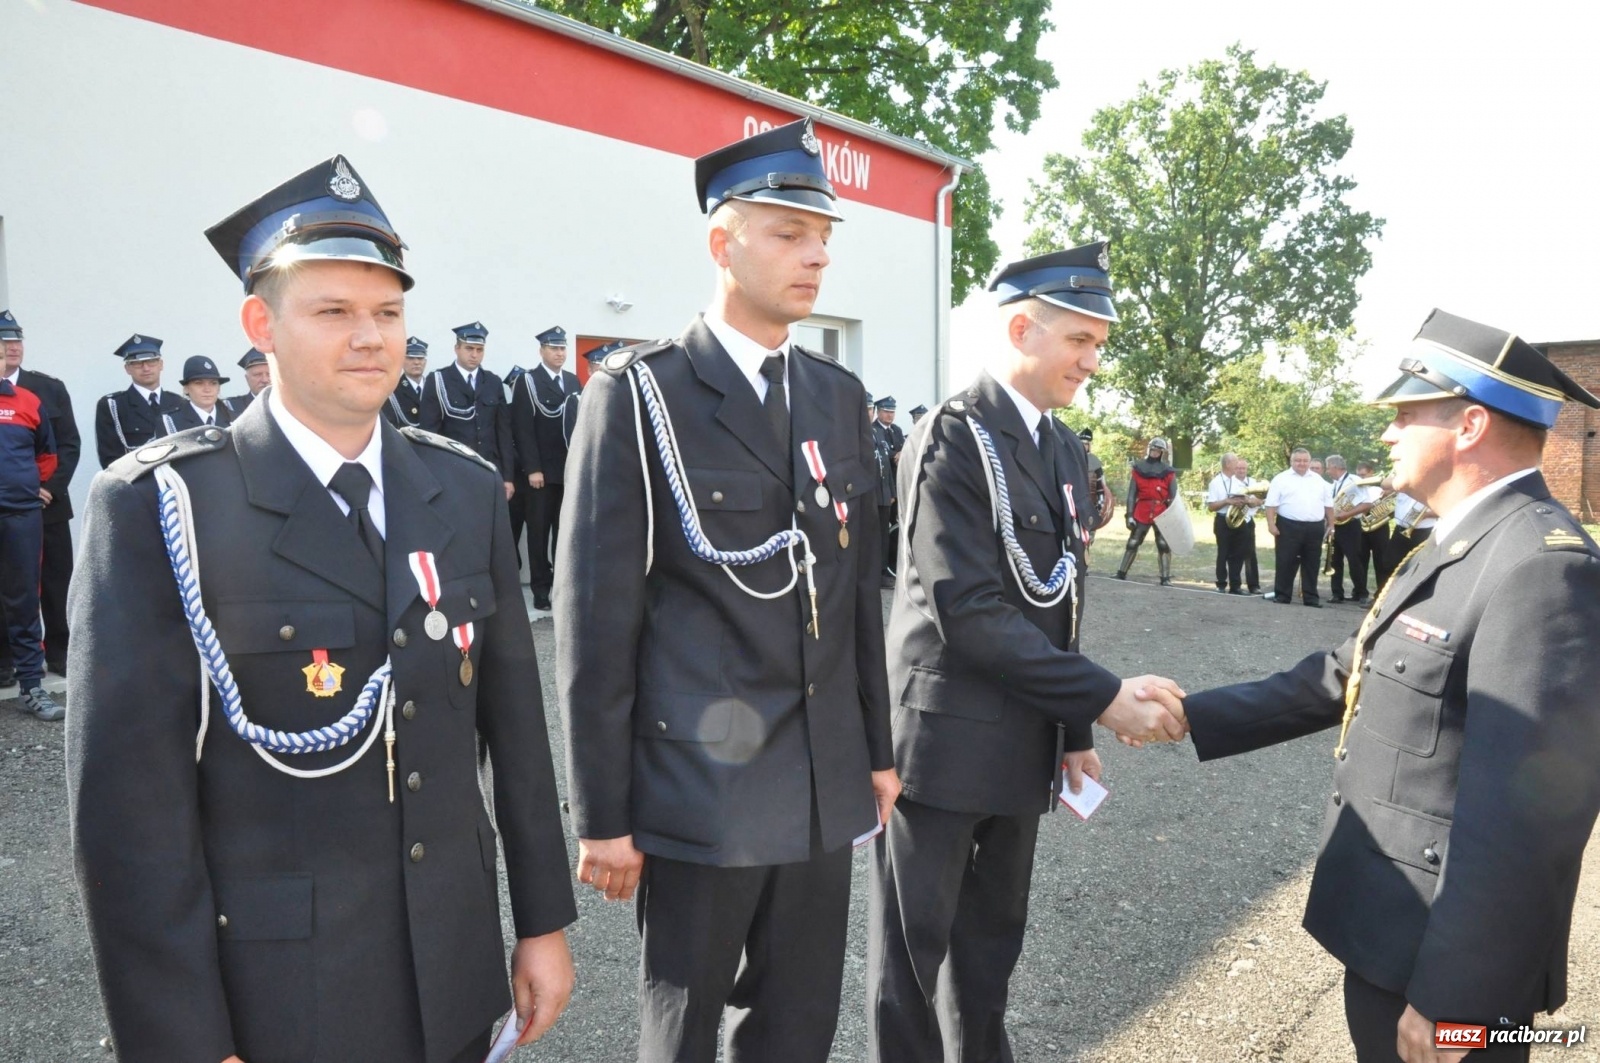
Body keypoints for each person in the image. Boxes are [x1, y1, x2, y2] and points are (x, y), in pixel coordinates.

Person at [66, 154, 576, 1063]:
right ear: (260, 323)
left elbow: (514, 730)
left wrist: (541, 921)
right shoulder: (165, 505)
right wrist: (185, 1037)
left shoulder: (458, 489)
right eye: (333, 311)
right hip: (280, 994)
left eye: (387, 311)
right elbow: (129, 816)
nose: (370, 337)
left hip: (453, 969)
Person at [556, 118, 897, 1063]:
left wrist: (877, 748)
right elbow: (595, 622)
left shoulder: (835, 397)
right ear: (723, 241)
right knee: (685, 1027)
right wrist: (604, 815)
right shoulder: (638, 395)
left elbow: (857, 590)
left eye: (824, 236)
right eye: (789, 232)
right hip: (699, 787)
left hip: (824, 782)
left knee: (797, 1028)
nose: (816, 255)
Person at [1183, 308, 1600, 1063]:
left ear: (1470, 425)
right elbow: (1348, 671)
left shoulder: (1541, 565)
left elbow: (1529, 820)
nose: (1387, 432)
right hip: (1391, 937)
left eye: (1407, 413)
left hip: (1446, 975)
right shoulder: (1454, 538)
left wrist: (1456, 997)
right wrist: (1188, 712)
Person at [868, 243, 1188, 1063]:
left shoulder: (1064, 450)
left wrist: (1073, 727)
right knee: (914, 955)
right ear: (1022, 327)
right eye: (1079, 340)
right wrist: (1103, 694)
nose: (1091, 361)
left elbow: (1058, 599)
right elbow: (965, 611)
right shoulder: (952, 437)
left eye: (1097, 345)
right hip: (941, 742)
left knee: (992, 946)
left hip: (1022, 739)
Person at [1, 310, 79, 679]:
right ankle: (5, 660)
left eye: (16, 339)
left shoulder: (47, 388)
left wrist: (47, 488)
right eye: (4, 341)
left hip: (47, 505)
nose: (12, 346)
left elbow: (67, 445)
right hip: (9, 507)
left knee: (54, 580)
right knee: (9, 584)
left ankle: (60, 652)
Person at [0, 356, 60, 720]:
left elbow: (47, 455)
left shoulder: (27, 401)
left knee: (23, 600)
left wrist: (26, 487)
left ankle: (31, 687)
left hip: (20, 515)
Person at [511, 325, 581, 612]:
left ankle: (562, 585)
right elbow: (523, 429)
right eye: (554, 348)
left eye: (563, 348)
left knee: (564, 533)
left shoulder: (574, 381)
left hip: (567, 471)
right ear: (542, 351)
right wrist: (532, 469)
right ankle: (541, 588)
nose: (559, 353)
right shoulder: (528, 381)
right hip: (540, 474)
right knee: (539, 534)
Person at [419, 321, 515, 501]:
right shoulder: (439, 380)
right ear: (456, 348)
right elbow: (429, 433)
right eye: (469, 348)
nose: (474, 355)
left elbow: (503, 432)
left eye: (480, 350)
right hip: (451, 470)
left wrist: (508, 477)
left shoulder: (493, 382)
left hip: (488, 468)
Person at [94, 334, 185, 467]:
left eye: (151, 361)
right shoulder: (113, 406)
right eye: (137, 363)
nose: (146, 368)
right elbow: (110, 458)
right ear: (127, 369)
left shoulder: (179, 403)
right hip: (137, 482)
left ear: (161, 365)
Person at [1264, 447, 1334, 606]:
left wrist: (1331, 524)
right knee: (1285, 561)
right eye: (1298, 460)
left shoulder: (1319, 480)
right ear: (1291, 461)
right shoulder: (1280, 479)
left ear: (1309, 462)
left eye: (1305, 460)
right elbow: (1270, 504)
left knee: (1312, 563)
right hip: (1288, 525)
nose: (1301, 463)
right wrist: (1271, 524)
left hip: (1315, 527)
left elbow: (1328, 505)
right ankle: (1282, 595)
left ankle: (1310, 598)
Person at [1116, 437, 1177, 583]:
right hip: (1142, 510)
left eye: (1158, 450)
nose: (1155, 452)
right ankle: (1121, 573)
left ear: (1162, 453)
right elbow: (1132, 494)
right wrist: (1129, 515)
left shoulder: (1168, 472)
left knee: (1163, 544)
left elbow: (1173, 496)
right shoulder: (1139, 469)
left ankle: (1165, 578)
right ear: (1149, 449)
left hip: (1161, 510)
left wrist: (1172, 515)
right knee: (1133, 542)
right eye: (1153, 449)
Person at [1325, 454, 1377, 604]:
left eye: (1328, 468)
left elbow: (1367, 504)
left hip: (1350, 525)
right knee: (1334, 560)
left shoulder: (1354, 481)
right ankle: (1337, 593)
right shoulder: (1334, 484)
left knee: (1354, 560)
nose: (1327, 471)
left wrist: (1347, 514)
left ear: (1335, 467)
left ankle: (1361, 593)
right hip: (1335, 525)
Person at [1205, 453, 1251, 594]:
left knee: (1238, 553)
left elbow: (1245, 499)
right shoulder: (1216, 482)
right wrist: (1227, 501)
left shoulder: (1238, 482)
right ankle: (1221, 584)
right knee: (1223, 552)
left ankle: (1235, 585)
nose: (1238, 466)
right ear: (1228, 464)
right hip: (1223, 520)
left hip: (1238, 520)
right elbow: (1211, 506)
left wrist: (1244, 501)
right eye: (1235, 463)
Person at [871, 394, 904, 582]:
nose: (890, 416)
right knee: (880, 532)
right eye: (886, 412)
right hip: (880, 488)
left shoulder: (897, 431)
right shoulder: (874, 430)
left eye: (892, 412)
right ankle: (882, 570)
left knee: (894, 528)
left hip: (893, 487)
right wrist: (896, 454)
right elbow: (883, 456)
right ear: (878, 412)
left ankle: (891, 566)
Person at [164, 356, 235, 432]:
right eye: (199, 383)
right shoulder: (170, 422)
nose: (207, 389)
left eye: (213, 383)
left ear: (219, 388)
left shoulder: (235, 419)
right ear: (186, 389)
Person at [382, 336, 429, 428]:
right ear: (401, 361)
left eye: (420, 358)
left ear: (425, 361)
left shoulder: (433, 387)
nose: (416, 362)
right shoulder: (393, 391)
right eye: (410, 358)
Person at [1077, 427, 1116, 534]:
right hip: (1074, 504)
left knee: (1088, 534)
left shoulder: (1095, 462)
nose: (1084, 446)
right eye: (1081, 443)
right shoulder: (1070, 459)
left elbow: (1100, 488)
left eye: (1086, 444)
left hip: (1090, 504)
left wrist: (1099, 507)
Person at [1237, 457, 1263, 593]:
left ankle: (1253, 585)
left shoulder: (1253, 483)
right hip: (1233, 520)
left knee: (1250, 553)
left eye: (1243, 468)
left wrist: (1255, 502)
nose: (1241, 471)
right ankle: (1234, 584)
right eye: (1238, 468)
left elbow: (1262, 499)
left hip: (1248, 520)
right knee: (1233, 553)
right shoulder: (1230, 482)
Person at [224, 347, 272, 416]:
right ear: (247, 379)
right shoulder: (232, 407)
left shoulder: (288, 405)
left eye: (269, 374)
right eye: (258, 375)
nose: (264, 380)